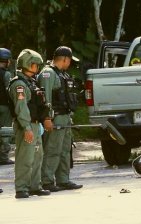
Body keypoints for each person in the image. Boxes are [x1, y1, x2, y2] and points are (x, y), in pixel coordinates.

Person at [38, 46, 82, 192]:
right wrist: (47, 118)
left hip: (64, 118)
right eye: (69, 60)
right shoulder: (48, 74)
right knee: (52, 150)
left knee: (64, 151)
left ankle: (63, 180)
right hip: (55, 118)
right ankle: (47, 180)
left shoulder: (62, 74)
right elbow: (46, 98)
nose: (70, 63)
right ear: (64, 59)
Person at [9, 49, 51, 198]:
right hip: (25, 125)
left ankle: (34, 186)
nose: (37, 67)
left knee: (37, 156)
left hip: (35, 125)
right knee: (25, 158)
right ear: (28, 64)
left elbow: (39, 104)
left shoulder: (31, 82)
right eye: (35, 64)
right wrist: (27, 128)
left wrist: (44, 119)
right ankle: (21, 188)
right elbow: (21, 109)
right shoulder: (19, 84)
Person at [0, 48, 14, 165]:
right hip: (4, 107)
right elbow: (10, 92)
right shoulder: (7, 74)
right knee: (6, 131)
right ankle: (3, 157)